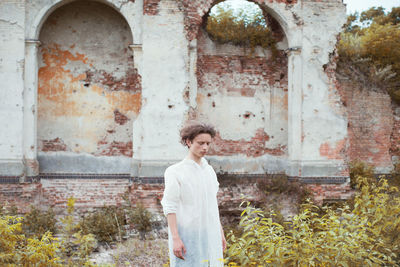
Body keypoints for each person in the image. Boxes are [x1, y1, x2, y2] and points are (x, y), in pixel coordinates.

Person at [161, 121, 226, 267]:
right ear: (188, 142)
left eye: (208, 143)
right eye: (200, 143)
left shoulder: (208, 170)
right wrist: (176, 238)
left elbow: (212, 205)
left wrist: (219, 232)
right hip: (187, 233)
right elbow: (170, 206)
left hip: (209, 232)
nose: (205, 147)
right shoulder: (175, 171)